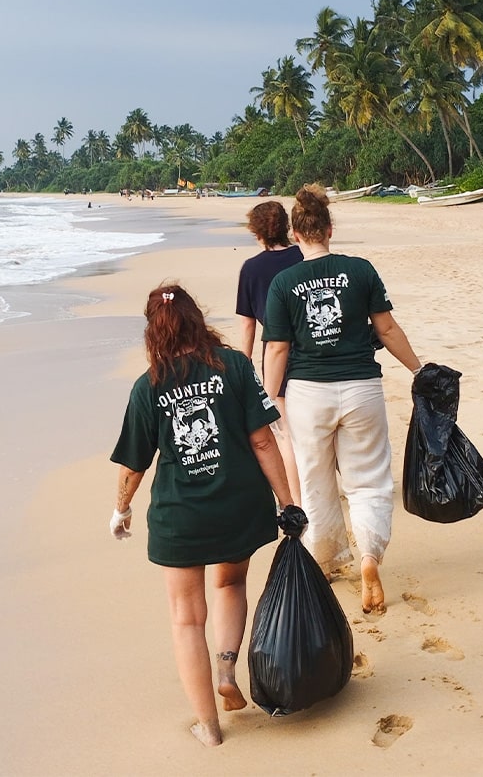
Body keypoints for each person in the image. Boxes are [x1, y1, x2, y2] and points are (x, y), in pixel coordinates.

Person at [109, 283, 299, 747]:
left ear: (154, 331)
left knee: (186, 619)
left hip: (181, 518)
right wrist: (288, 501)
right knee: (232, 583)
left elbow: (135, 463)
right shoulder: (235, 366)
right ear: (199, 319)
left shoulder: (148, 385)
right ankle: (227, 669)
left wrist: (121, 509)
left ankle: (209, 728)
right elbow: (262, 440)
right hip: (239, 506)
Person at [262, 184, 422, 615]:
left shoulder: (283, 282)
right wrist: (419, 369)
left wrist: (269, 399)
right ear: (330, 229)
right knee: (369, 480)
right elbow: (386, 330)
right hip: (360, 389)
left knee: (315, 482)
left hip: (307, 393)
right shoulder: (361, 270)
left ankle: (326, 560)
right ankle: (369, 558)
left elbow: (276, 348)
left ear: (295, 235)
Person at [236, 200, 304, 505]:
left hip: (276, 351)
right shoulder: (304, 255)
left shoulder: (251, 268)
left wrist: (243, 363)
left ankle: (297, 499)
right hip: (311, 343)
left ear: (257, 231)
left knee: (286, 432)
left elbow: (248, 325)